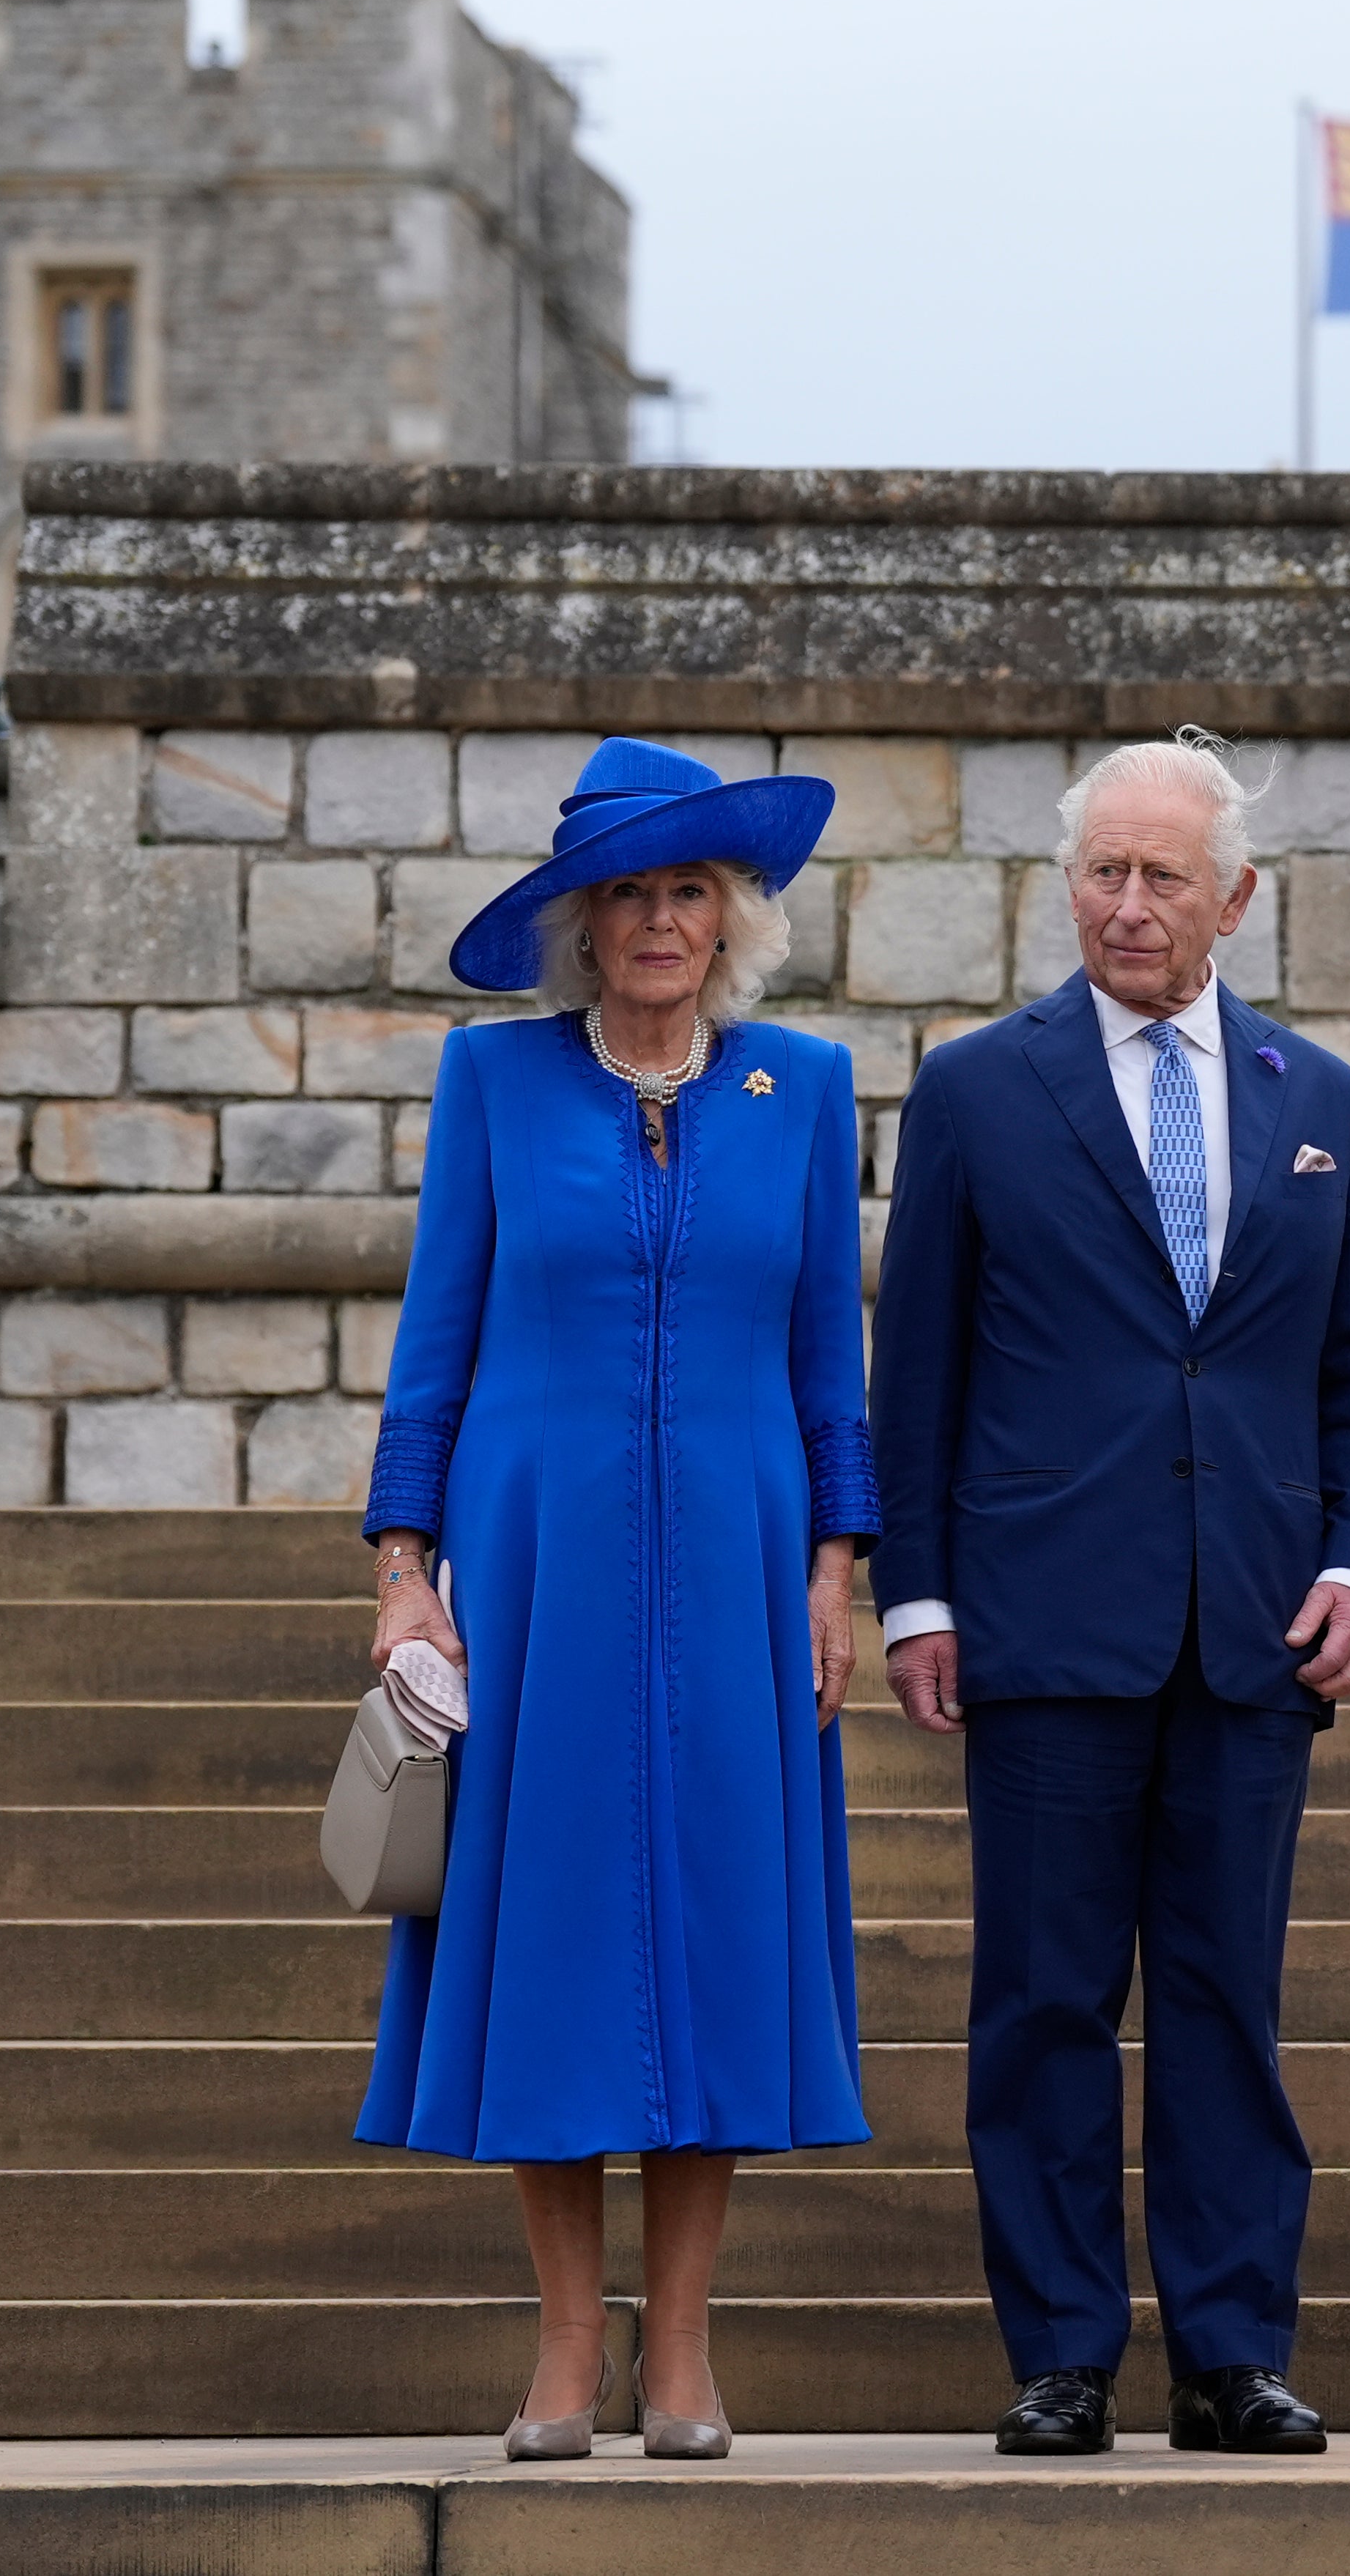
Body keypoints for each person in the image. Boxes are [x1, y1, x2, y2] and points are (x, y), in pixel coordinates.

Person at [869, 730, 1350, 2460]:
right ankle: (1060, 2353)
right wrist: (914, 1593)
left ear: (1231, 899)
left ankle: (1233, 2350)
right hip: (1043, 1615)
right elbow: (917, 1367)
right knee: (1043, 2001)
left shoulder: (1321, 1099)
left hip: (1256, 1620)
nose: (1125, 902)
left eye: (1160, 874)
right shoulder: (977, 1088)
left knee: (1224, 2003)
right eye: (1101, 869)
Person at [357, 736, 869, 2465]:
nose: (660, 920)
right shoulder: (493, 1080)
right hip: (533, 1557)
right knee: (555, 1929)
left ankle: (687, 2355)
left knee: (718, 1927)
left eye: (689, 891)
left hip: (740, 1557)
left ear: (731, 920)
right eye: (629, 893)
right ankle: (569, 2346)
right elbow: (436, 1336)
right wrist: (403, 1569)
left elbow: (828, 1357)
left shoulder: (803, 1087)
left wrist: (837, 1563)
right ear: (580, 924)